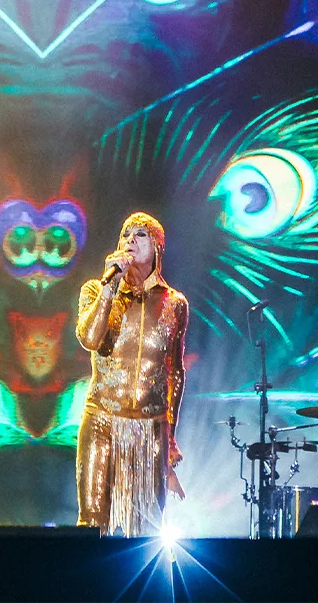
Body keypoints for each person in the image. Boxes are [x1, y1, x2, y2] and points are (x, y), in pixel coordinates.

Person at [75, 212, 189, 536]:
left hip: (151, 429)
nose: (130, 241)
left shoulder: (174, 304)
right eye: (125, 235)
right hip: (103, 421)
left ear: (157, 247)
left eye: (140, 235)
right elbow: (90, 338)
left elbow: (175, 373)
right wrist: (110, 286)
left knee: (149, 528)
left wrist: (170, 439)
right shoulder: (95, 291)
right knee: (92, 523)